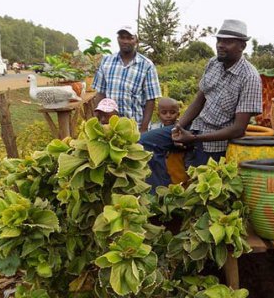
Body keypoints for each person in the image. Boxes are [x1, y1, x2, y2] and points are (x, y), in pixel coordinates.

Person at [140, 19, 262, 189]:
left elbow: (238, 129)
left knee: (200, 187)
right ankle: (162, 196)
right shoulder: (214, 63)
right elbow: (199, 99)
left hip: (215, 140)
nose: (220, 45)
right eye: (219, 40)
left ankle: (178, 200)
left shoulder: (249, 77)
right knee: (145, 142)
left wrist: (195, 138)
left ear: (242, 46)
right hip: (193, 127)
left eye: (228, 42)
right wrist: (178, 127)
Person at [92, 24, 161, 133]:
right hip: (109, 125)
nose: (125, 41)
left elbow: (150, 100)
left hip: (134, 125)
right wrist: (96, 120)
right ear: (118, 39)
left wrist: (143, 128)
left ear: (136, 41)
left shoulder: (147, 65)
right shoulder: (106, 61)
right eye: (122, 37)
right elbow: (100, 92)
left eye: (130, 38)